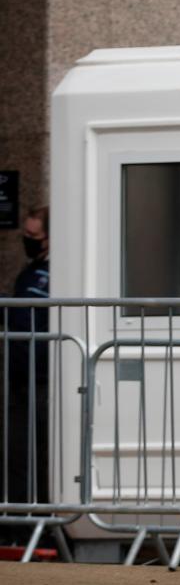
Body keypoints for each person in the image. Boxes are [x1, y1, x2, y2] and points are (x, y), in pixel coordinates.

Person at [4, 206, 51, 517]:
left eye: (34, 236)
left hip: (45, 377)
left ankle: (43, 526)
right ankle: (21, 525)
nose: (28, 241)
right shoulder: (28, 273)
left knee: (41, 454)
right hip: (22, 377)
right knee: (19, 453)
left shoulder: (59, 275)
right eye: (25, 235)